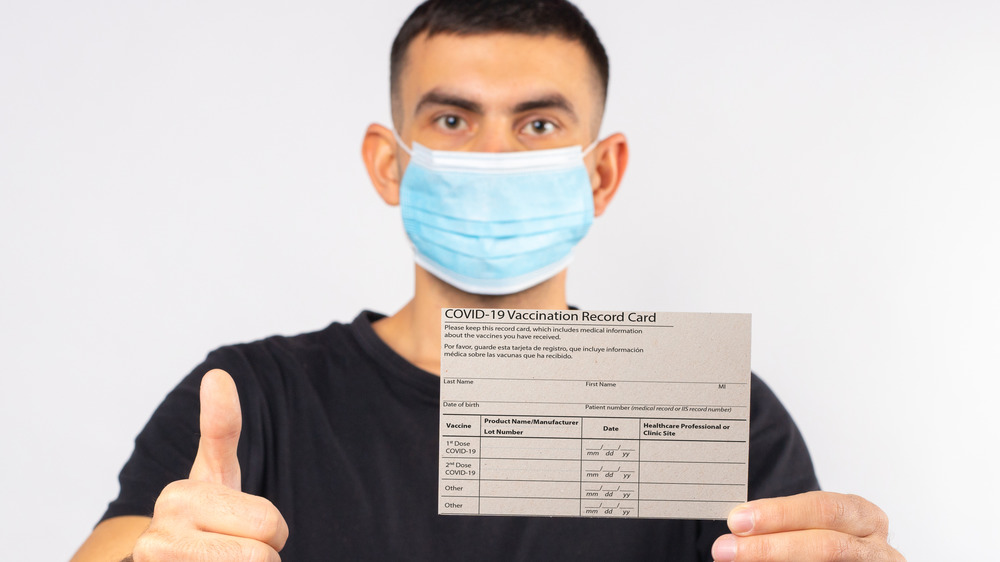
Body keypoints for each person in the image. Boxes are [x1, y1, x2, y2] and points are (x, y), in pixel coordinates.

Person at [72, 1, 904, 560]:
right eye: (452, 119)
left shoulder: (708, 409)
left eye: (539, 123)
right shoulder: (257, 397)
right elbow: (127, 545)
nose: (495, 158)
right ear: (389, 163)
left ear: (601, 174)